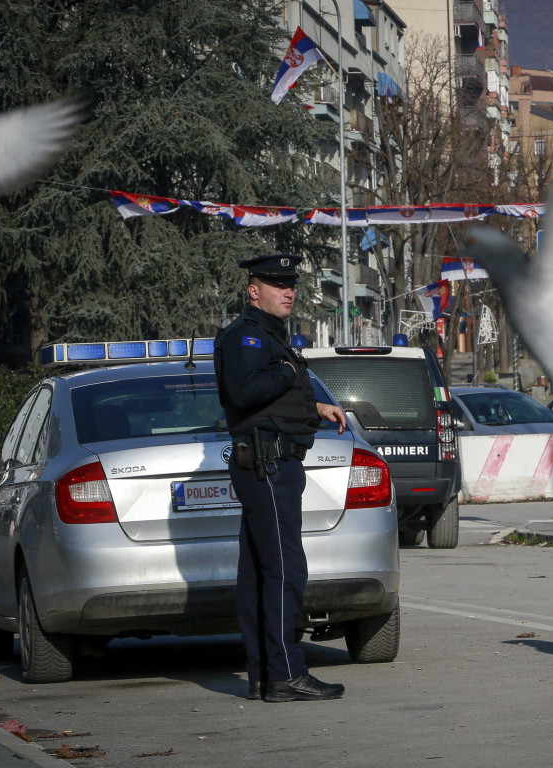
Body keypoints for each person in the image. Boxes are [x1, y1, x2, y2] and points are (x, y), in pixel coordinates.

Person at [215, 254, 348, 703]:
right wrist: (288, 370)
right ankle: (288, 673)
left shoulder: (270, 336)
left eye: (290, 283)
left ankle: (264, 676)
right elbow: (244, 392)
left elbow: (268, 401)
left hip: (272, 464)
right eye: (277, 284)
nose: (288, 291)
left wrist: (314, 408)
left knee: (258, 573)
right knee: (286, 571)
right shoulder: (248, 336)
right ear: (254, 290)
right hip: (268, 466)